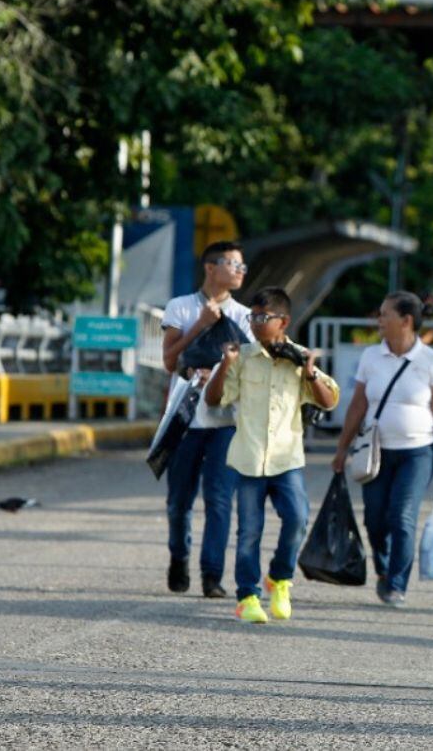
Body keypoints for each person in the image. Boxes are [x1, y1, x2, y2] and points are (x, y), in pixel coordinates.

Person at [205, 287, 340, 625]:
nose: (255, 323)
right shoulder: (242, 356)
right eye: (252, 316)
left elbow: (329, 401)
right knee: (249, 531)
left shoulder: (299, 358)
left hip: (286, 459)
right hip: (249, 459)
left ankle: (280, 579)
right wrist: (225, 364)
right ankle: (247, 596)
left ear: (284, 321)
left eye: (263, 317)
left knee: (297, 519)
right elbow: (213, 399)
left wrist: (309, 371)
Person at [332, 291, 433, 607]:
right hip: (375, 452)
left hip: (417, 452)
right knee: (375, 519)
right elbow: (358, 404)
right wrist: (341, 448)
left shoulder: (432, 360)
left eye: (385, 314)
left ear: (405, 320)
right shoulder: (371, 357)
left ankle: (397, 585)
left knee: (402, 516)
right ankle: (383, 570)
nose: (379, 319)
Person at [159, 241, 254, 598]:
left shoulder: (245, 316)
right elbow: (170, 361)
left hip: (225, 421)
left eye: (242, 266)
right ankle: (178, 556)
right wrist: (200, 325)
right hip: (185, 418)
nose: (239, 271)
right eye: (232, 264)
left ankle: (212, 575)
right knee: (178, 501)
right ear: (210, 267)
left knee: (219, 500)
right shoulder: (180, 307)